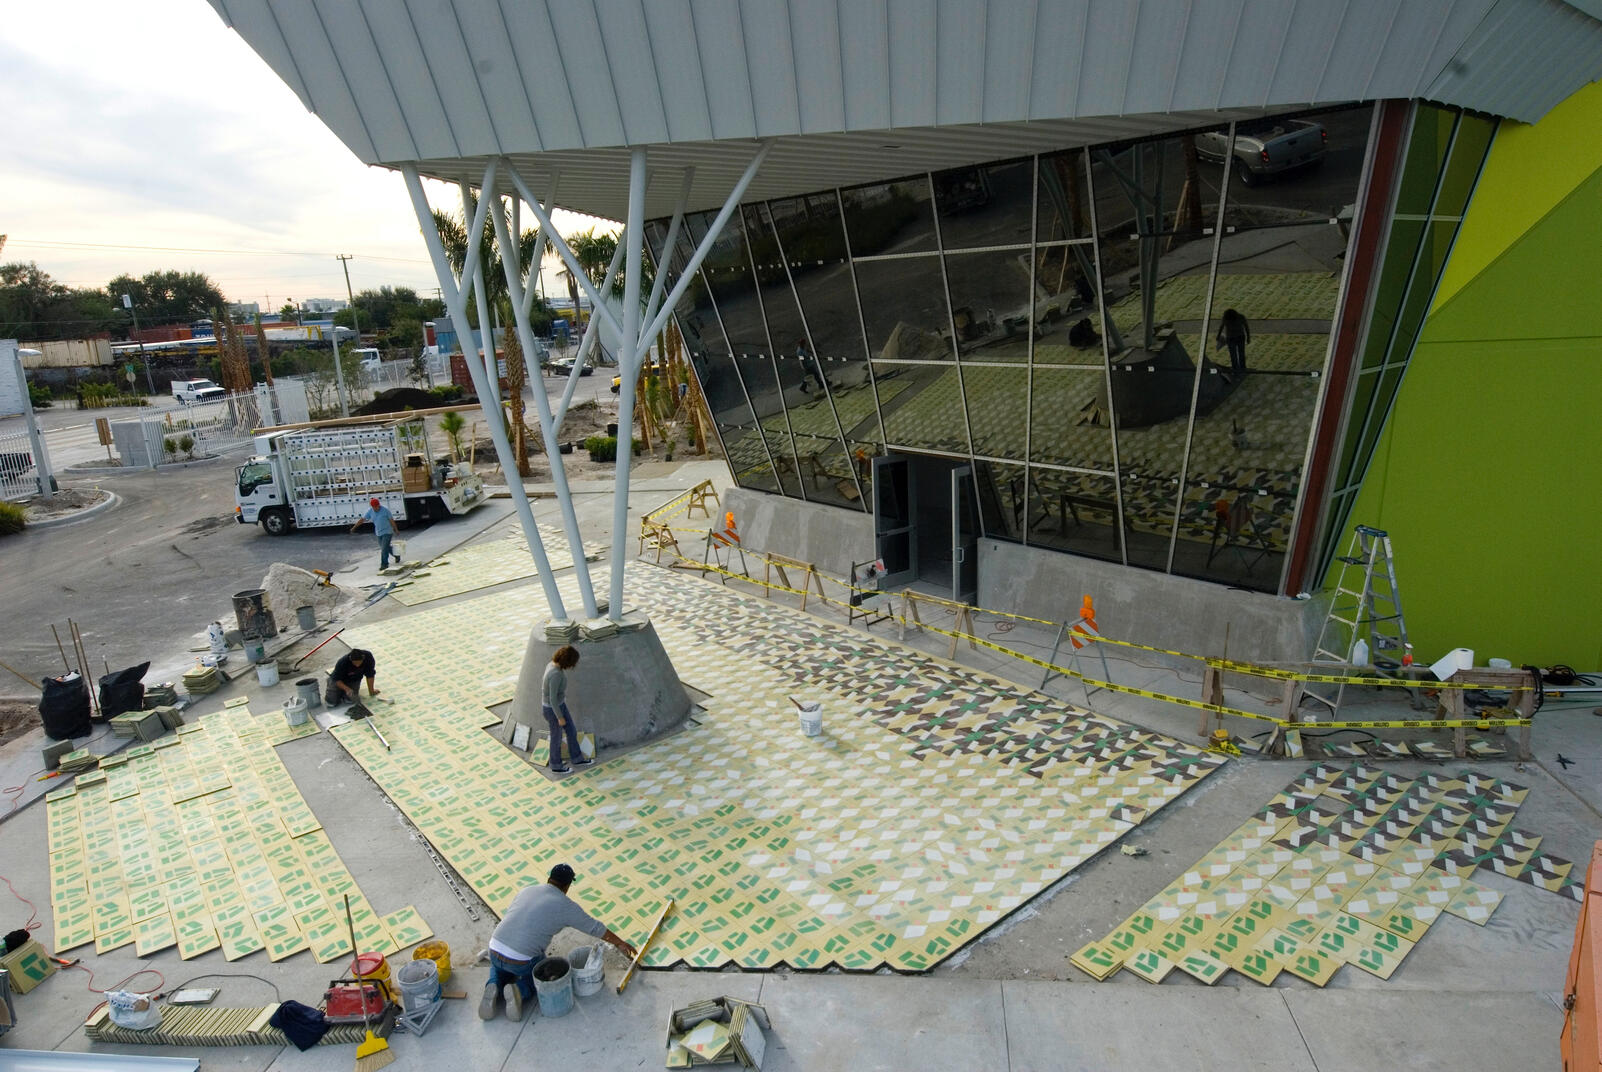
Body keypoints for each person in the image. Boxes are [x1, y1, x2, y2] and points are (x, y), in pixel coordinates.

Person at [480, 863, 638, 1022]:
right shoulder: (565, 906)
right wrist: (619, 942)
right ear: (567, 886)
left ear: (549, 879)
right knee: (540, 975)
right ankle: (520, 991)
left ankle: (493, 985)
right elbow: (594, 927)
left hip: (494, 947)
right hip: (521, 960)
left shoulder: (527, 890)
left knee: (499, 965)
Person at [542, 645, 591, 774]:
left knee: (571, 731)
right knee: (556, 737)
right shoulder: (555, 674)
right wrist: (560, 717)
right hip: (553, 710)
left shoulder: (552, 665)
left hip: (559, 705)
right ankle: (556, 766)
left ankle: (577, 758)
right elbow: (552, 698)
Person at [350, 497, 399, 570]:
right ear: (372, 507)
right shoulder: (370, 511)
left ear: (379, 505)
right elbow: (362, 520)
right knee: (386, 547)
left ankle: (384, 564)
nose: (376, 508)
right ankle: (396, 555)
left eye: (377, 506)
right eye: (375, 507)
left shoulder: (385, 510)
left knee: (384, 549)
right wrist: (354, 527)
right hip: (378, 533)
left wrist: (396, 529)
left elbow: (391, 520)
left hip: (387, 532)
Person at [1216, 308, 1251, 375]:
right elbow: (1221, 326)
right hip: (1234, 338)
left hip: (1236, 337)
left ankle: (1239, 369)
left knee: (1238, 354)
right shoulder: (1238, 317)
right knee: (1236, 355)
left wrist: (1248, 337)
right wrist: (1248, 337)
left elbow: (1246, 327)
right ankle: (1239, 369)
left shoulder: (1239, 317)